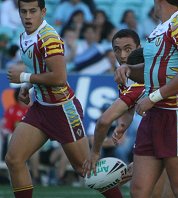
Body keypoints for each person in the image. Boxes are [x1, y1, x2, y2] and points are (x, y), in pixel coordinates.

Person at [5, 1, 121, 197]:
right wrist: (27, 87)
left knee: (85, 170)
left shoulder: (48, 37)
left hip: (62, 110)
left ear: (43, 11)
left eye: (32, 11)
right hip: (41, 108)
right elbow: (38, 68)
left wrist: (23, 78)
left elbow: (59, 77)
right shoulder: (25, 35)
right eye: (23, 11)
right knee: (14, 159)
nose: (27, 16)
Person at [114, 1, 178, 197]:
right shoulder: (162, 27)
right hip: (153, 117)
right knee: (138, 191)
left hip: (176, 116)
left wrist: (153, 97)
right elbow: (151, 71)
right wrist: (129, 69)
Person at [83, 29, 142, 178]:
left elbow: (104, 121)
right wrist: (122, 126)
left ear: (139, 48)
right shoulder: (123, 76)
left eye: (128, 49)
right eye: (117, 50)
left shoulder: (146, 75)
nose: (122, 56)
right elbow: (130, 108)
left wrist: (95, 152)